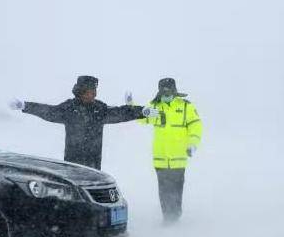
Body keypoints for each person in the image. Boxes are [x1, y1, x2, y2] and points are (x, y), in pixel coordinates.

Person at [10, 75, 157, 170]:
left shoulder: (99, 109)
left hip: (93, 163)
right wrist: (25, 106)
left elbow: (119, 112)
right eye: (89, 92)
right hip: (72, 163)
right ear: (80, 92)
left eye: (94, 92)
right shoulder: (69, 108)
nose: (92, 95)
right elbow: (49, 111)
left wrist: (142, 111)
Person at [131, 78, 202, 223]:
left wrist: (192, 144)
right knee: (163, 192)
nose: (166, 94)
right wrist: (131, 106)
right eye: (163, 91)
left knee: (176, 190)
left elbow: (196, 126)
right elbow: (142, 117)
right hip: (160, 158)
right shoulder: (155, 106)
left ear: (174, 91)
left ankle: (175, 218)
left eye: (168, 91)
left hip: (178, 158)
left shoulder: (185, 106)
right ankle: (167, 219)